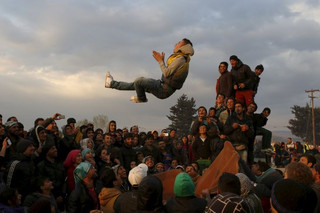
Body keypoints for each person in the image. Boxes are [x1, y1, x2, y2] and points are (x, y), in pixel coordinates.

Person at [104, 38, 194, 103]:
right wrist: (162, 61)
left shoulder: (181, 59)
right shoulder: (181, 59)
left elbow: (166, 73)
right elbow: (170, 73)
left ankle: (142, 99)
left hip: (164, 89)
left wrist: (160, 61)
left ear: (184, 47)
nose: (176, 44)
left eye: (179, 43)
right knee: (135, 85)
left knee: (139, 81)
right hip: (163, 87)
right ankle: (111, 84)